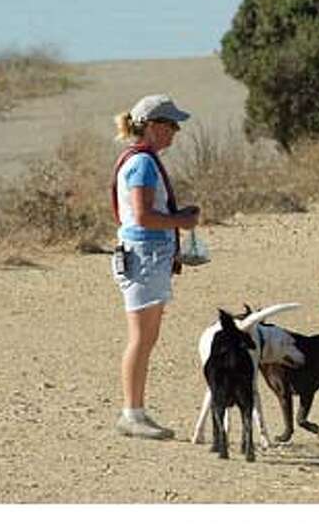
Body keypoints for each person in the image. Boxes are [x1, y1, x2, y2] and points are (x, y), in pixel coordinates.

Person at [109, 94, 200, 439]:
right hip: (144, 256)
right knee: (141, 338)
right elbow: (144, 216)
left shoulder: (138, 160)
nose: (175, 132)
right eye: (170, 124)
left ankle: (136, 411)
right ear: (151, 126)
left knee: (146, 338)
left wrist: (176, 220)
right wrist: (180, 221)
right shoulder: (143, 163)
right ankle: (131, 413)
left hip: (147, 256)